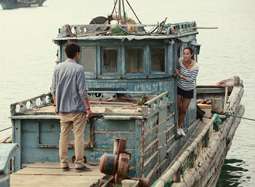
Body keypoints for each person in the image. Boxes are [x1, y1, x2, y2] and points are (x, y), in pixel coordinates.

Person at [51, 43, 92, 170]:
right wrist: (88, 108)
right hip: (77, 109)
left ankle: (63, 162)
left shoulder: (58, 68)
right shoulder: (79, 69)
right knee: (78, 136)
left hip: (62, 109)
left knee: (63, 135)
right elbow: (82, 91)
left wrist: (56, 105)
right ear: (77, 54)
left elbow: (53, 89)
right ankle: (79, 163)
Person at [176, 47, 199, 136]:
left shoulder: (195, 66)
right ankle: (177, 126)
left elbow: (191, 79)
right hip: (179, 87)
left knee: (184, 110)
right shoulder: (180, 61)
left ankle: (180, 127)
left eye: (187, 54)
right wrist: (176, 73)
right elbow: (176, 68)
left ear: (191, 55)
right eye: (184, 53)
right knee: (179, 107)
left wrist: (180, 75)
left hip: (189, 89)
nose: (185, 55)